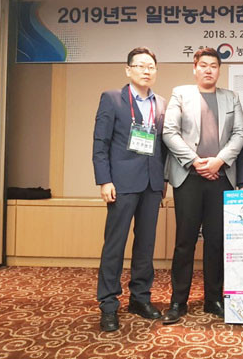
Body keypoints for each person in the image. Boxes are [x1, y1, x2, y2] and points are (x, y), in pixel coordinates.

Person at [161, 47, 243, 324]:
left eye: (214, 66)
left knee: (216, 240)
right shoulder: (180, 94)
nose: (209, 70)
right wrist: (196, 161)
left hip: (220, 177)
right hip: (188, 177)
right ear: (195, 68)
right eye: (204, 65)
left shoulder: (231, 97)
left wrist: (218, 161)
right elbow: (169, 132)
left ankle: (214, 299)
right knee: (185, 240)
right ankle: (178, 301)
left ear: (219, 70)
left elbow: (240, 133)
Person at [92, 47, 168, 332]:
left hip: (151, 184)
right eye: (140, 66)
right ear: (128, 70)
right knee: (115, 245)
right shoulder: (112, 98)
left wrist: (163, 182)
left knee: (145, 245)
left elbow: (162, 146)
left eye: (151, 66)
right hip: (121, 183)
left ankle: (140, 298)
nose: (146, 71)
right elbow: (100, 143)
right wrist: (104, 180)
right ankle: (108, 304)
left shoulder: (161, 103)